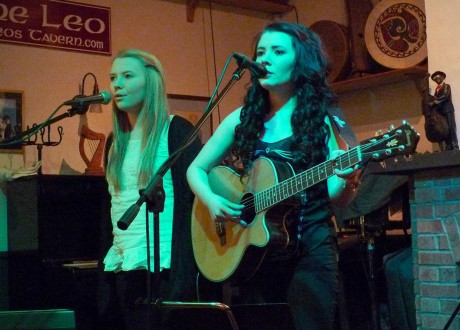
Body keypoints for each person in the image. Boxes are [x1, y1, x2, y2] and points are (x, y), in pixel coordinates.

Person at [186, 22, 361, 330]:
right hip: (256, 255)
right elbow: (195, 169)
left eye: (278, 51)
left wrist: (347, 179)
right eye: (261, 52)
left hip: (310, 251)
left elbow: (336, 195)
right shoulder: (241, 119)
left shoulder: (325, 117)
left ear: (301, 61)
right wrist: (212, 200)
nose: (265, 59)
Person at [98, 49, 202, 330]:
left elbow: (194, 202)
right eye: (113, 77)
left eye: (127, 76)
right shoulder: (114, 142)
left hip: (167, 268)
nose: (117, 84)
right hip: (125, 267)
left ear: (151, 81)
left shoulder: (176, 130)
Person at [430, 71, 459, 150]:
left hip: (448, 109)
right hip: (441, 111)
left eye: (438, 77)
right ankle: (448, 144)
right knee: (445, 128)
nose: (437, 79)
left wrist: (434, 102)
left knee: (451, 126)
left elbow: (444, 96)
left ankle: (454, 144)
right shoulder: (436, 89)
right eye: (435, 78)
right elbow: (436, 97)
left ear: (442, 77)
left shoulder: (446, 86)